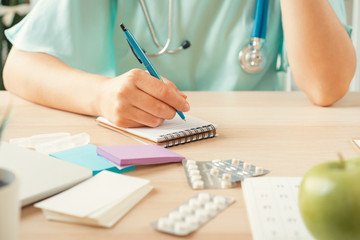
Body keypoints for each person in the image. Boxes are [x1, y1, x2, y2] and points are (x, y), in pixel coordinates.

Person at [2, 0, 356, 128]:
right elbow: (20, 66)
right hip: (140, 143)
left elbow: (327, 86)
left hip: (252, 145)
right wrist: (101, 94)